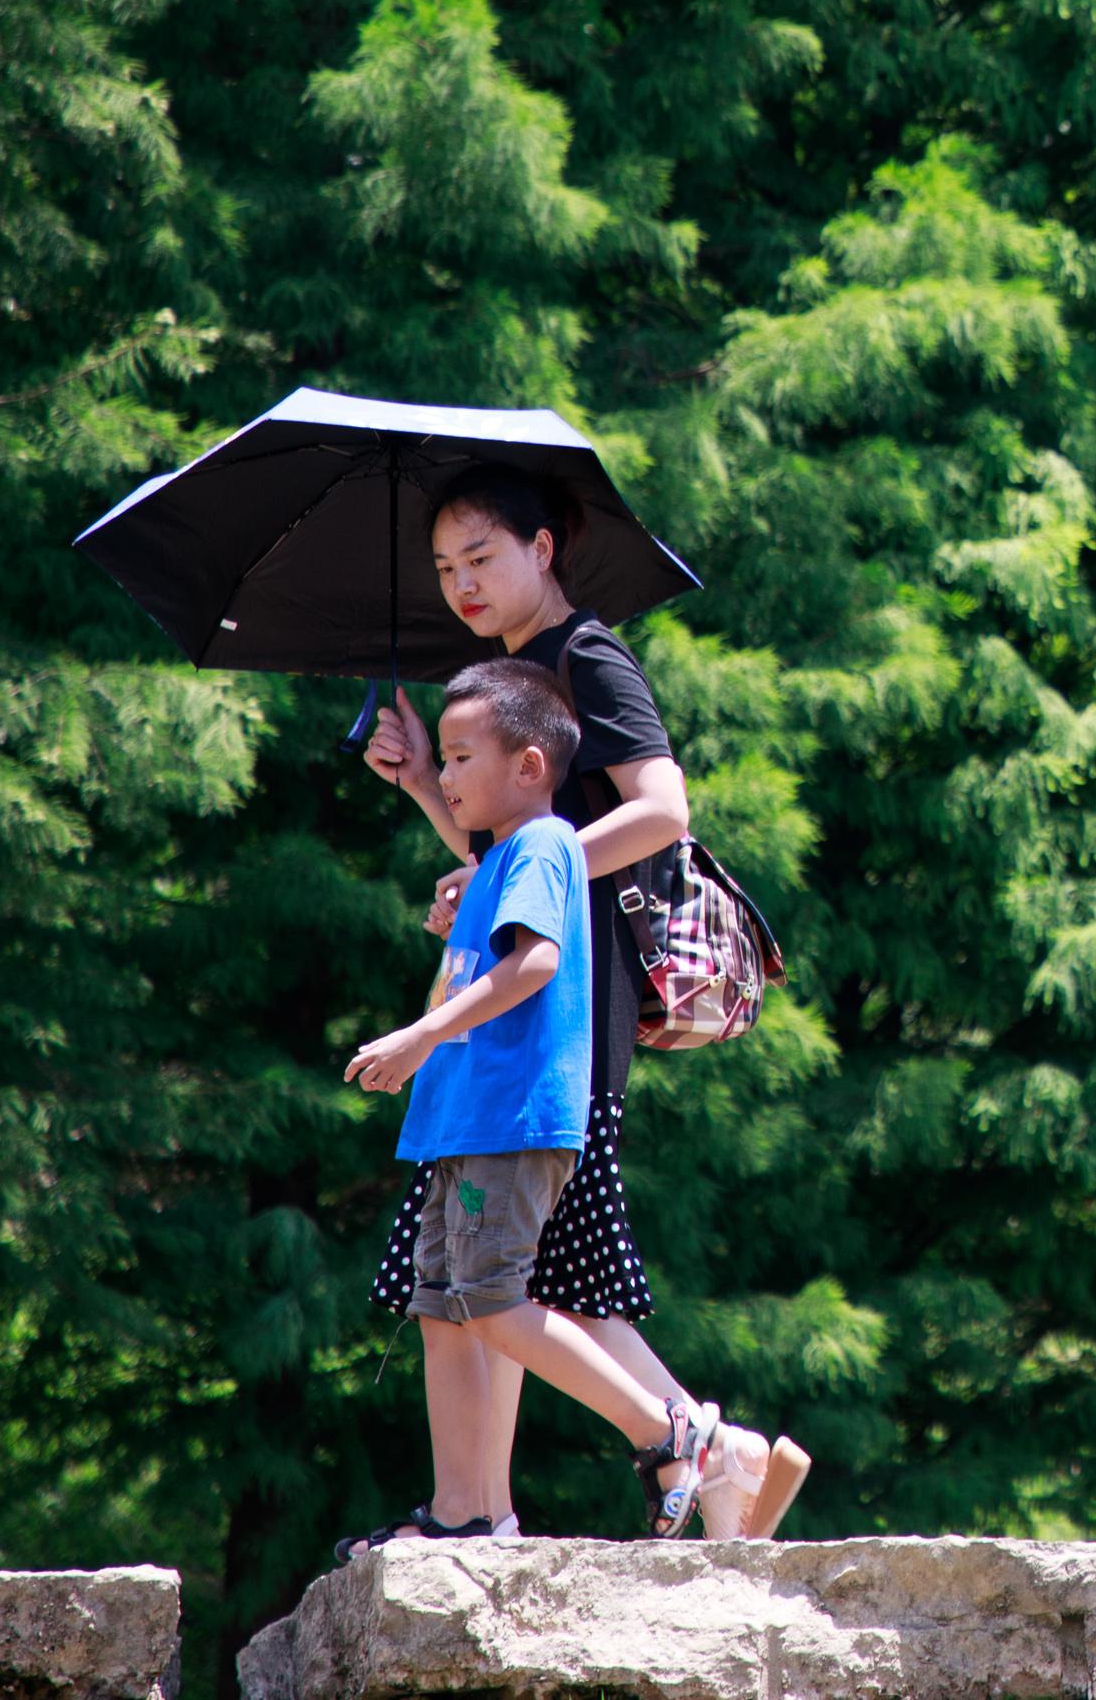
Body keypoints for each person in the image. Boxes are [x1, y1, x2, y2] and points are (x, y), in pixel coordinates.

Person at [360, 463, 811, 1540]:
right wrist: (428, 780)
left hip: (567, 1004)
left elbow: (661, 812)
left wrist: (529, 870)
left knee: (503, 1273)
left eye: (482, 557)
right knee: (549, 1278)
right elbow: (509, 856)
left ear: (542, 550)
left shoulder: (585, 657)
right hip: (528, 996)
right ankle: (691, 1460)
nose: (461, 583)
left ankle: (649, 1458)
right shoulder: (510, 681)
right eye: (443, 568)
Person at [339, 660, 733, 1551]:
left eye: (460, 755)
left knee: (492, 1295)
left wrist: (418, 1035)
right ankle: (462, 1512)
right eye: (442, 756)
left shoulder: (547, 842)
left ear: (527, 765)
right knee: (439, 1304)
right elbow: (489, 948)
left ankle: (661, 1427)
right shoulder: (501, 859)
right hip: (462, 1118)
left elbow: (536, 965)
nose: (447, 773)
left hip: (513, 1120)